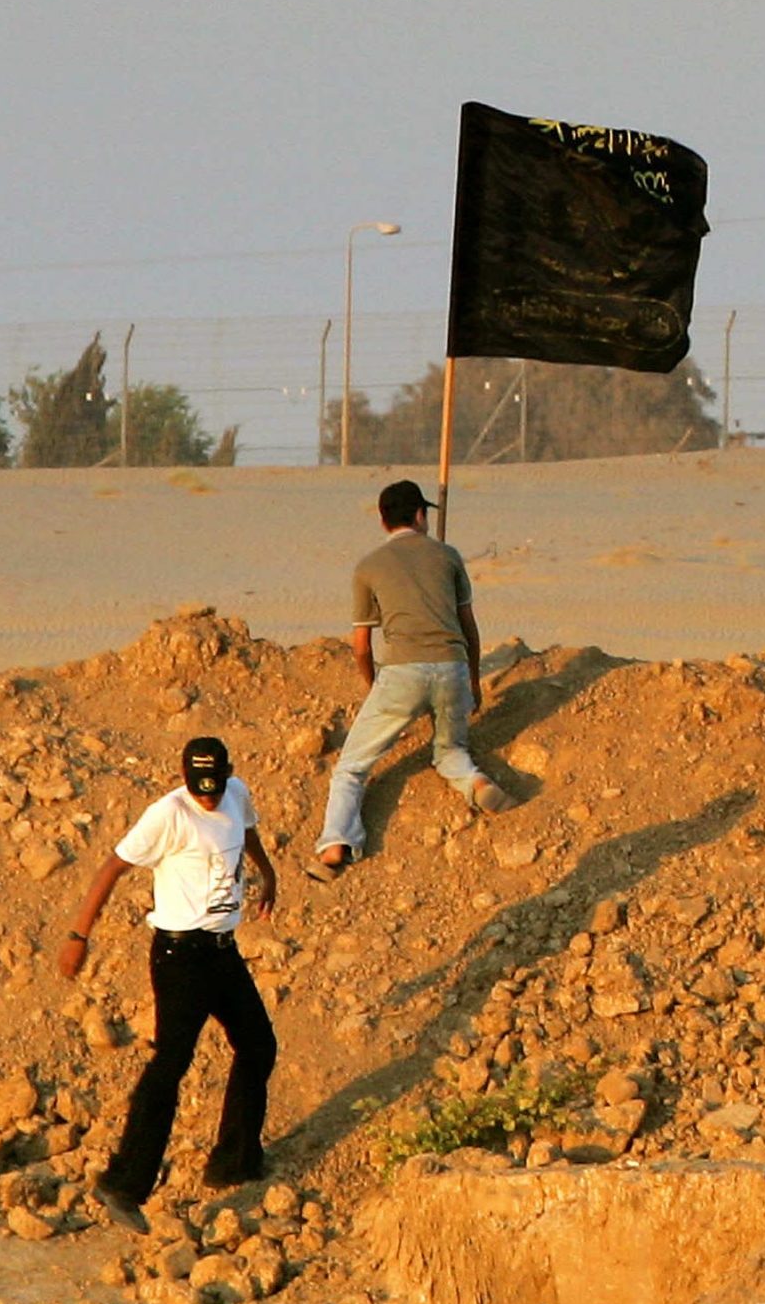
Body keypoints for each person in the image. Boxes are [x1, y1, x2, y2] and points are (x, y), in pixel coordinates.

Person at [59, 736, 279, 1234]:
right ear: (184, 779)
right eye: (199, 789)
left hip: (222, 952)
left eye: (215, 787)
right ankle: (123, 1184)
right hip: (180, 958)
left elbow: (245, 831)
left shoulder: (236, 793)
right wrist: (78, 936)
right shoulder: (168, 814)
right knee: (171, 1063)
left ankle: (234, 1162)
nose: (208, 797)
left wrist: (267, 873)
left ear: (228, 775)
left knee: (258, 1045)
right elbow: (113, 867)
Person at [309, 479, 511, 879]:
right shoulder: (448, 556)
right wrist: (472, 682)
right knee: (450, 751)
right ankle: (476, 782)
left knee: (352, 767)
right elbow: (469, 628)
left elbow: (361, 645)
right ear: (420, 515)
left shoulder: (368, 566)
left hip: (402, 672)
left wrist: (374, 687)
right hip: (452, 667)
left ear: (383, 521)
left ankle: (335, 844)